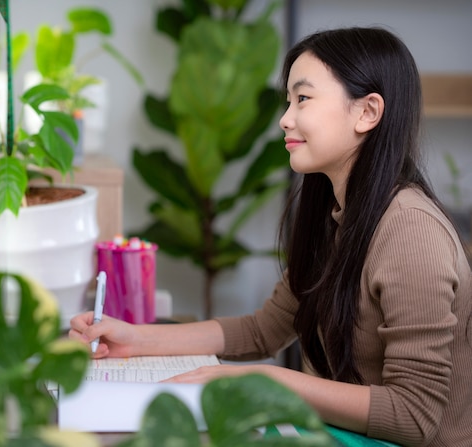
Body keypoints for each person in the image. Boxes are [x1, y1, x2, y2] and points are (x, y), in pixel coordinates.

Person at [69, 27, 472, 447]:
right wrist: (135, 338)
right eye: (288, 101)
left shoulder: (411, 231)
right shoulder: (336, 213)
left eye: (303, 98)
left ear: (367, 112)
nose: (285, 118)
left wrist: (264, 379)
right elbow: (264, 330)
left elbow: (414, 416)